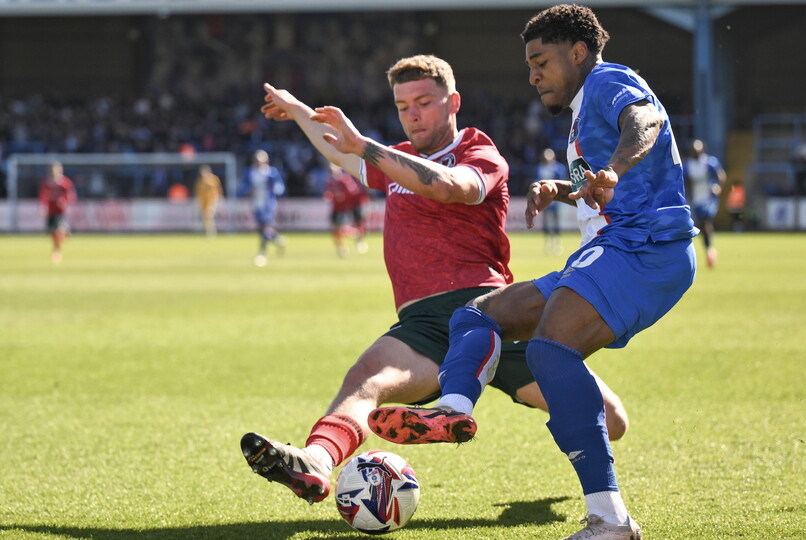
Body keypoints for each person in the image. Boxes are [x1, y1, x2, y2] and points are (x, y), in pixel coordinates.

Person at [240, 54, 629, 509]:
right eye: (404, 106)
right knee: (366, 379)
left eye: (424, 101)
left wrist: (365, 146)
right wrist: (296, 110)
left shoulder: (478, 152)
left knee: (612, 418)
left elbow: (448, 186)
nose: (413, 114)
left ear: (453, 102)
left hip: (493, 315)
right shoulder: (396, 160)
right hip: (423, 323)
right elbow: (336, 146)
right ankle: (315, 463)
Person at [368, 6, 698, 539]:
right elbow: (609, 190)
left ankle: (609, 521)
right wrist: (566, 191)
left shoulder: (610, 80)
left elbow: (647, 121)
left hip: (644, 247)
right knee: (479, 314)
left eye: (540, 61)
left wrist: (614, 165)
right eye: (529, 64)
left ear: (578, 52)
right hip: (614, 249)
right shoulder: (582, 110)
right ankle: (453, 408)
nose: (533, 75)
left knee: (549, 350)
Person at [683, 139, 726, 268]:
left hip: (709, 198)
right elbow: (683, 181)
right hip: (697, 199)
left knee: (706, 220)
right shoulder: (687, 165)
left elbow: (721, 175)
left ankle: (709, 251)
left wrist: (718, 186)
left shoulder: (709, 162)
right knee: (703, 223)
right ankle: (709, 248)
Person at [240, 149, 286, 266]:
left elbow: (279, 186)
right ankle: (277, 239)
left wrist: (275, 188)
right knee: (261, 228)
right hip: (256, 203)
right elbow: (245, 186)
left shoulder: (270, 172)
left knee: (266, 227)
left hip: (268, 203)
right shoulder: (250, 172)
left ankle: (262, 252)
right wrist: (247, 190)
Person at [324, 163, 369, 257]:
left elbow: (352, 191)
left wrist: (341, 195)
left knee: (340, 228)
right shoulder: (330, 181)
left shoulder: (344, 180)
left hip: (343, 208)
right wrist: (329, 196)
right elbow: (328, 192)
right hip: (335, 208)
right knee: (334, 229)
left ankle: (355, 235)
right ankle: (341, 247)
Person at [38, 161, 77, 264]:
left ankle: (57, 250)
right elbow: (43, 197)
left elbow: (71, 197)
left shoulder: (65, 183)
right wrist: (43, 207)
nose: (54, 172)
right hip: (51, 212)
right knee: (52, 234)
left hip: (61, 212)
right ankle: (64, 235)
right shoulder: (46, 183)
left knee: (58, 231)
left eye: (56, 170)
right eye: (52, 170)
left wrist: (64, 201)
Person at [535, 148, 567, 254]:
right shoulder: (540, 168)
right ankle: (548, 243)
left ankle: (557, 243)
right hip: (544, 198)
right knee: (546, 221)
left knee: (555, 220)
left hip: (556, 198)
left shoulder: (558, 168)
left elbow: (563, 182)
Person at [194, 165, 223, 237]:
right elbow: (198, 192)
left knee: (209, 215)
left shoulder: (213, 179)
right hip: (204, 202)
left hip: (212, 200)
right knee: (205, 217)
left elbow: (218, 190)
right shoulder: (200, 181)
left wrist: (219, 199)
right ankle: (208, 231)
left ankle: (211, 233)